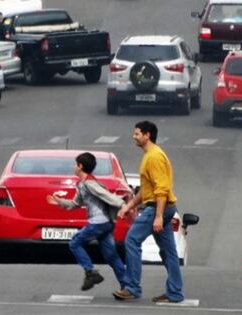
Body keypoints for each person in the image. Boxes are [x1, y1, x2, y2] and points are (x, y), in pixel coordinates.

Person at [113, 121, 183, 304]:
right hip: (163, 207)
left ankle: (132, 287)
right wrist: (128, 206)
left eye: (137, 134)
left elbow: (161, 189)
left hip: (157, 208)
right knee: (168, 252)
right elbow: (146, 190)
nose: (134, 137)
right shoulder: (150, 155)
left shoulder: (154, 157)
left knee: (131, 240)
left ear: (147, 135)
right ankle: (175, 292)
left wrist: (158, 216)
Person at [46, 152, 129, 293]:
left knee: (74, 242)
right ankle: (127, 286)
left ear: (80, 166)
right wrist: (59, 202)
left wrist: (123, 205)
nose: (74, 167)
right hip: (105, 223)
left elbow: (106, 195)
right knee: (111, 256)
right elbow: (75, 204)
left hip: (98, 223)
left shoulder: (90, 183)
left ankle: (90, 273)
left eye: (75, 164)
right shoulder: (82, 184)